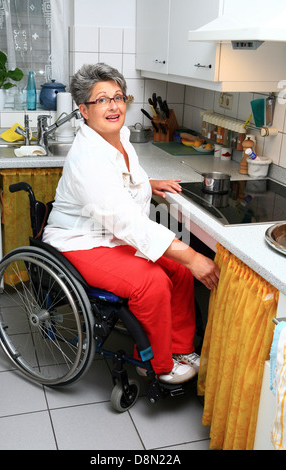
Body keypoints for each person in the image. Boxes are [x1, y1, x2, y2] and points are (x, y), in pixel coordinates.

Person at [43, 63, 220, 384]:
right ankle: (156, 364)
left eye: (118, 97)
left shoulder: (118, 136)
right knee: (152, 281)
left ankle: (180, 347)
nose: (113, 105)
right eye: (102, 100)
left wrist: (147, 183)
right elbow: (125, 221)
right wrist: (194, 256)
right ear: (83, 110)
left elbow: (118, 184)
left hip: (110, 234)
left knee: (177, 271)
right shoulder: (88, 158)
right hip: (81, 241)